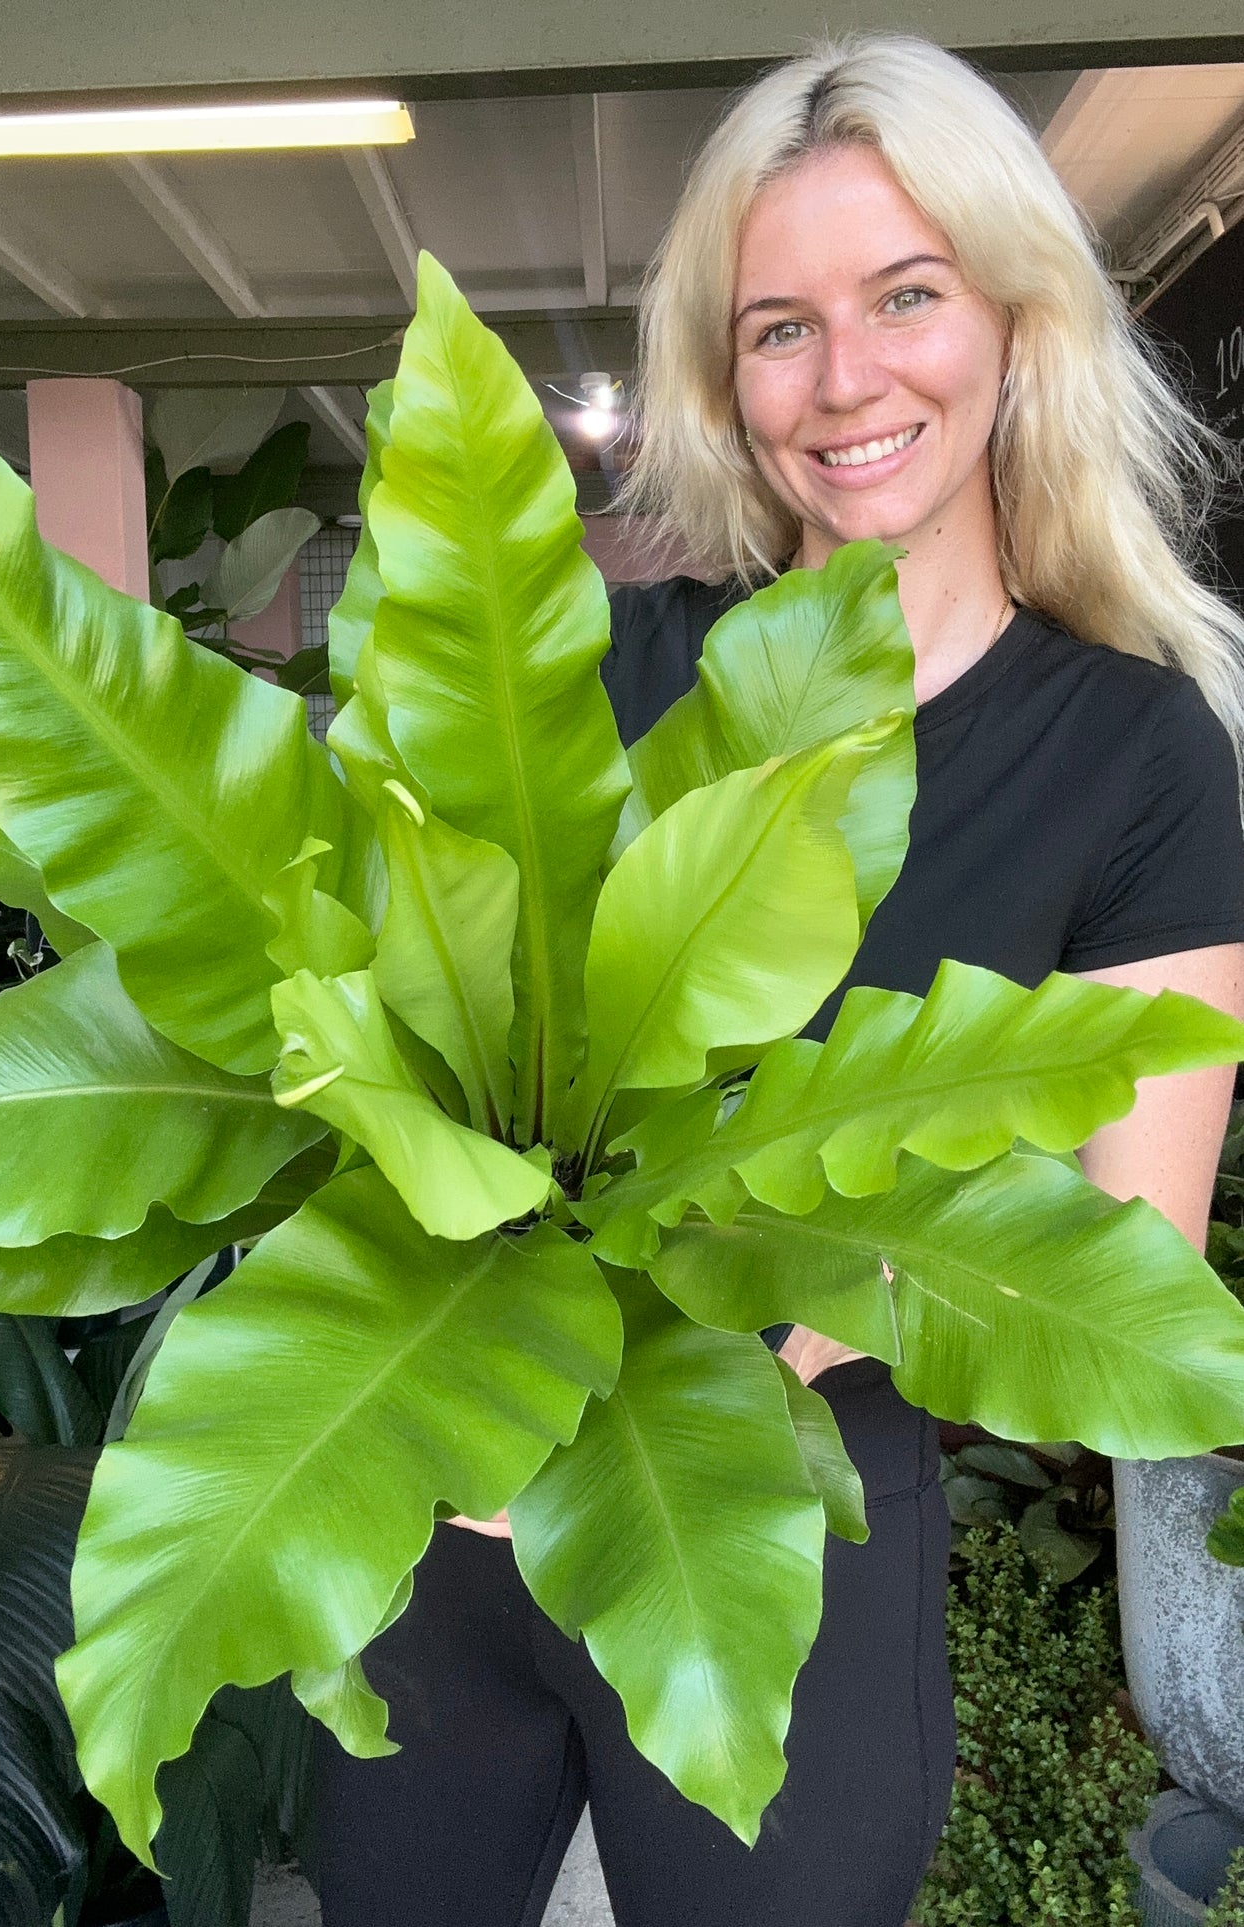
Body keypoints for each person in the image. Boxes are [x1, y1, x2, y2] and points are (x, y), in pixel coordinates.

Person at [312, 34, 1244, 1925]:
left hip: (787, 1550)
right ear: (723, 383)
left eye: (904, 296)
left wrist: (753, 1321)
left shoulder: (1134, 754)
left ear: (1009, 316)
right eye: (777, 328)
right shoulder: (597, 675)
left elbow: (1121, 1246)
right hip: (446, 1526)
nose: (846, 380)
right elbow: (360, 990)